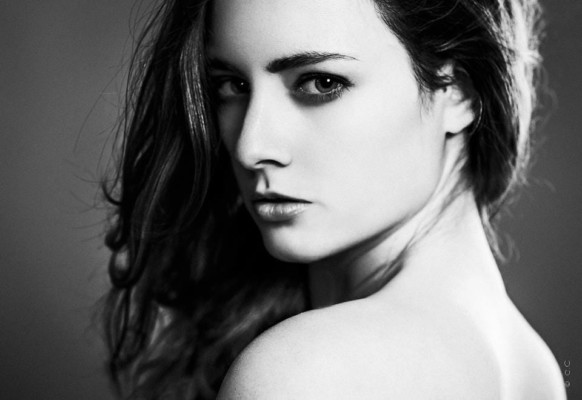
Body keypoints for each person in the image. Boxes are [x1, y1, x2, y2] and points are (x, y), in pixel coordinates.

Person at [101, 0, 566, 398]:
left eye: (321, 83)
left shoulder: (303, 374)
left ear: (457, 91)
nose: (250, 146)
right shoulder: (531, 368)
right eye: (232, 85)